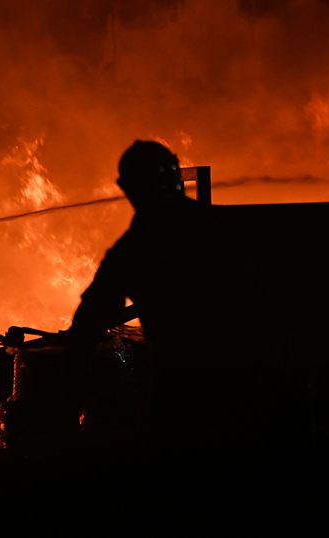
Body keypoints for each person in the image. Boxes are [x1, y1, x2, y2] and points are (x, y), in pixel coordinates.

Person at [67, 140, 267, 445]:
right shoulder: (221, 229)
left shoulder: (135, 246)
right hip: (238, 377)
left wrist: (69, 382)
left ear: (129, 188)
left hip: (179, 384)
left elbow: (91, 318)